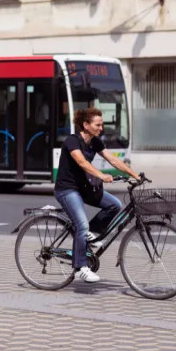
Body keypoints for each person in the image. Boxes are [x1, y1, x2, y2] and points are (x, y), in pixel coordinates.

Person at [53, 106, 141, 283]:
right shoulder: (72, 141)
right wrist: (101, 175)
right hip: (67, 189)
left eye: (102, 125)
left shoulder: (95, 142)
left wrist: (134, 175)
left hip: (85, 188)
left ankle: (89, 236)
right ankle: (80, 268)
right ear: (86, 125)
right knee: (82, 224)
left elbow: (113, 159)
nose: (101, 129)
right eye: (98, 125)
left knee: (114, 205)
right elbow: (81, 162)